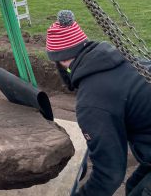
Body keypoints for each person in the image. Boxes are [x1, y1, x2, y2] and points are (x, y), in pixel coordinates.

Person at [45, 10, 151, 196]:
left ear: (60, 60)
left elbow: (110, 174)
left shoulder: (92, 103)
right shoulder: (122, 59)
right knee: (134, 185)